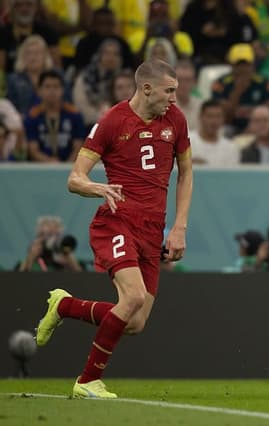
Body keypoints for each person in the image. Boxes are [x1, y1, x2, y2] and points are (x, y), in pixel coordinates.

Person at [34, 59, 193, 399]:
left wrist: (179, 227)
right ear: (147, 88)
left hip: (153, 230)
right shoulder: (111, 122)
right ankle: (87, 381)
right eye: (169, 91)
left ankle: (64, 307)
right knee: (133, 297)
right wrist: (98, 188)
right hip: (116, 221)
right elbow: (74, 179)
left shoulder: (176, 121)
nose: (174, 99)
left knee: (135, 322)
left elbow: (186, 173)